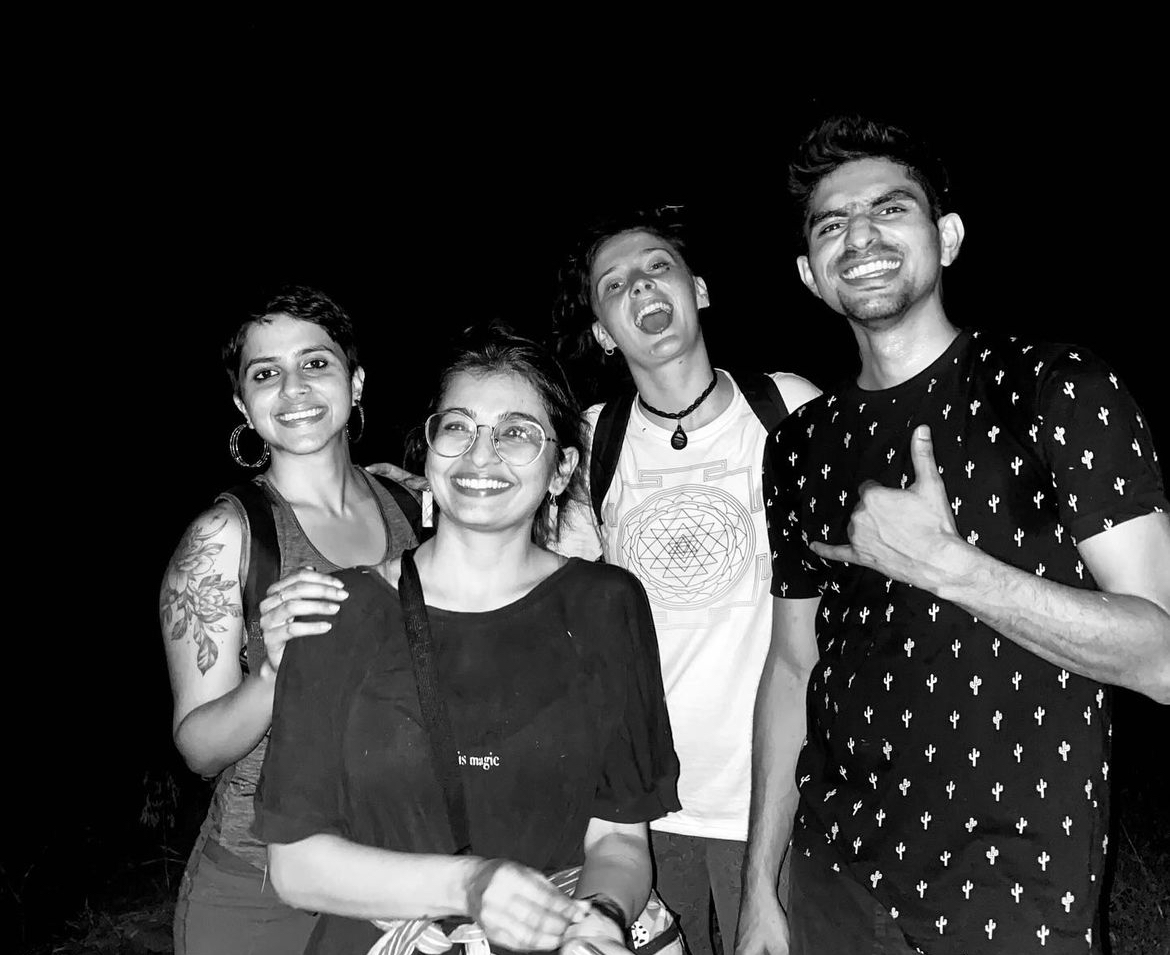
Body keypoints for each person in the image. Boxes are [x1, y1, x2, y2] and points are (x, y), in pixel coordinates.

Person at [738, 116, 1170, 955]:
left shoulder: (1054, 389)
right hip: (833, 878)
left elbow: (1162, 658)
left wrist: (950, 568)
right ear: (809, 274)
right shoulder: (799, 445)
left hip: (1015, 894)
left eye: (889, 210)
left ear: (948, 237)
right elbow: (794, 666)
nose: (858, 235)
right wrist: (762, 883)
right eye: (831, 225)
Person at [251, 326, 681, 955]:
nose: (481, 456)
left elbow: (617, 837)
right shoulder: (338, 611)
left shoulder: (606, 605)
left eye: (515, 432)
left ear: (562, 469)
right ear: (428, 451)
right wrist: (474, 886)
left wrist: (599, 918)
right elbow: (295, 864)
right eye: (457, 428)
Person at [548, 210, 820, 955]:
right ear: (605, 331)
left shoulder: (788, 408)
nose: (640, 286)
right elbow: (531, 564)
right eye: (614, 284)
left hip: (770, 799)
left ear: (697, 290)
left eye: (656, 267)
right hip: (639, 808)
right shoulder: (593, 439)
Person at [160, 285, 420, 955]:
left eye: (316, 363)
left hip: (397, 880)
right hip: (258, 895)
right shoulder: (223, 539)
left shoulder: (412, 508)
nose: (294, 388)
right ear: (244, 403)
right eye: (266, 374)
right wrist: (275, 671)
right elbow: (199, 749)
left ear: (356, 382)